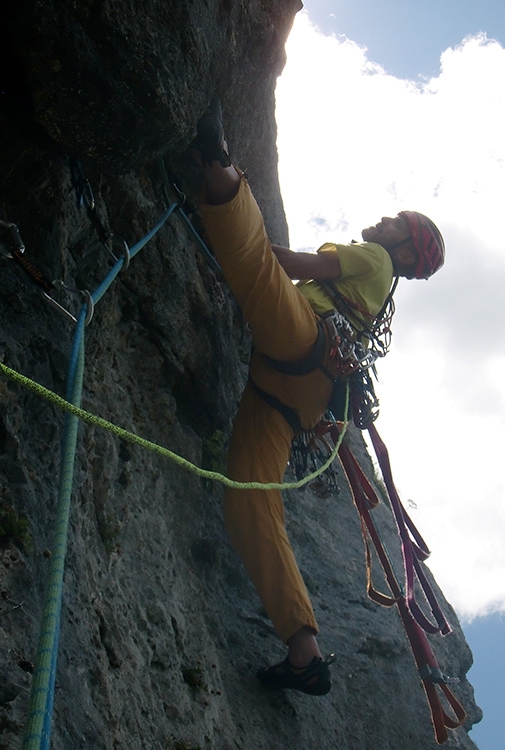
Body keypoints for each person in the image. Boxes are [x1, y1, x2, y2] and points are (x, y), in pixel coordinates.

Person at [190, 100, 445, 696]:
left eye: (396, 223)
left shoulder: (376, 259)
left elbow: (286, 263)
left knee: (255, 266)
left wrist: (221, 219)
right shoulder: (381, 288)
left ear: (405, 251)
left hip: (302, 341)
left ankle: (217, 164)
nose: (384, 220)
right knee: (251, 502)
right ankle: (303, 649)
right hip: (296, 395)